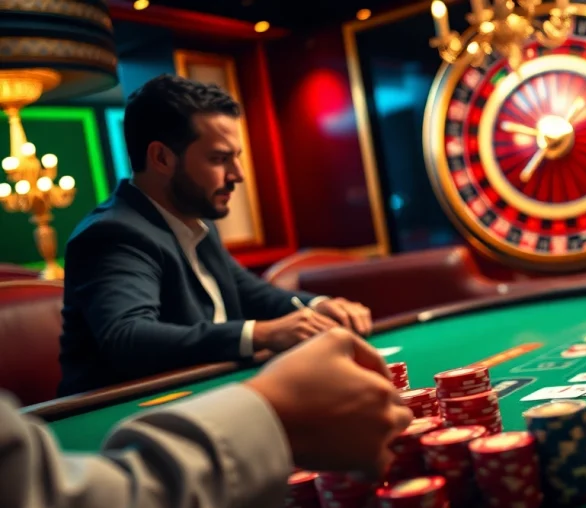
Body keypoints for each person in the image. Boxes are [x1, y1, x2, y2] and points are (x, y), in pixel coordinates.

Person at [2, 327, 414, 508]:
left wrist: (311, 310)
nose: (235, 179)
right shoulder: (115, 233)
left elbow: (263, 297)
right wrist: (273, 412)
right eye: (223, 175)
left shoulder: (199, 235)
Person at [59, 74, 372, 396]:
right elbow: (128, 337)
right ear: (162, 158)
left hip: (205, 395)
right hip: (119, 418)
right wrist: (261, 334)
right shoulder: (113, 233)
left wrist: (318, 307)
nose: (238, 174)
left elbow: (251, 293)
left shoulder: (195, 221)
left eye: (235, 157)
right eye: (220, 159)